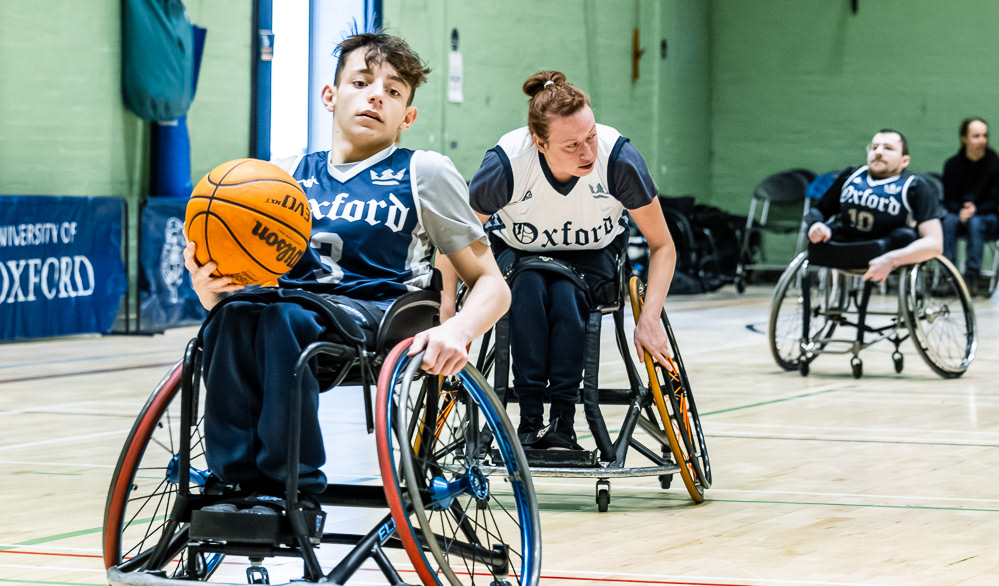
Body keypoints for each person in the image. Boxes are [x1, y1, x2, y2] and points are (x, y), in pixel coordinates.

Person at [182, 32, 510, 498]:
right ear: (330, 97)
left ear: (407, 116)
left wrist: (457, 329)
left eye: (393, 91)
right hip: (294, 312)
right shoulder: (283, 174)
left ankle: (292, 487)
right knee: (233, 316)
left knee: (282, 318)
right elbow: (250, 284)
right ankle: (234, 481)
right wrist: (212, 289)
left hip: (382, 313)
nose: (376, 95)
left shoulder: (424, 171)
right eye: (360, 82)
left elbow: (493, 284)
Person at [440, 71, 676, 450]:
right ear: (540, 142)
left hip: (594, 257)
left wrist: (648, 320)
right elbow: (454, 237)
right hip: (520, 256)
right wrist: (449, 311)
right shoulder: (507, 163)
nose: (587, 153)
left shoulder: (618, 159)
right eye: (572, 145)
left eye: (591, 137)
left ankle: (563, 421)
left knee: (566, 293)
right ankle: (530, 420)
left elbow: (663, 245)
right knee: (527, 288)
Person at [806, 129, 943, 283]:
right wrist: (816, 225)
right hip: (843, 246)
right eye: (874, 147)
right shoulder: (851, 175)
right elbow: (820, 209)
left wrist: (892, 259)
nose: (878, 152)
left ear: (904, 161)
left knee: (904, 235)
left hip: (886, 251)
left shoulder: (916, 186)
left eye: (888, 148)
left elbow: (934, 244)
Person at [939, 117, 999, 296]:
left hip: (987, 216)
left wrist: (975, 210)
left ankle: (972, 277)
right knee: (947, 221)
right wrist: (961, 210)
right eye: (976, 136)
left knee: (976, 223)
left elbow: (994, 201)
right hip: (959, 212)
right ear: (965, 138)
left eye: (984, 136)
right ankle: (948, 276)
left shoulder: (995, 164)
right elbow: (949, 199)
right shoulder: (952, 165)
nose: (982, 140)